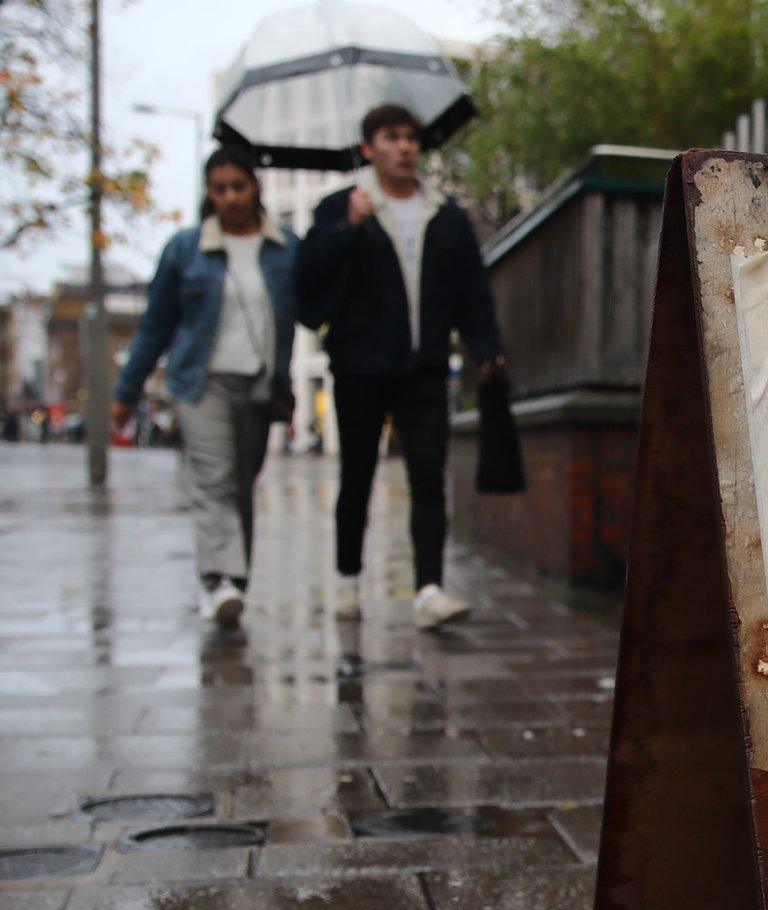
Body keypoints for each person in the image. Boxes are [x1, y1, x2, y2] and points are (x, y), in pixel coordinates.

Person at [298, 102, 505, 631]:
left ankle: (429, 589)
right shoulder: (340, 206)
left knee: (428, 478)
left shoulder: (446, 214)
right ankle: (347, 579)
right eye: (391, 137)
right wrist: (348, 226)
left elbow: (471, 291)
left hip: (425, 368)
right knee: (357, 476)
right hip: (360, 366)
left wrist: (486, 345)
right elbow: (307, 281)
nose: (405, 146)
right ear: (368, 148)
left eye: (411, 137)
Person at [115, 146, 297, 627]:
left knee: (240, 486)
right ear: (209, 193)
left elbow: (317, 303)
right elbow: (156, 324)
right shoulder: (185, 249)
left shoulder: (286, 248)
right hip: (200, 383)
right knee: (213, 480)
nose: (231, 197)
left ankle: (234, 583)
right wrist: (126, 390)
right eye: (220, 189)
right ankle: (217, 580)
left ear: (255, 187)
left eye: (239, 186)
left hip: (261, 386)